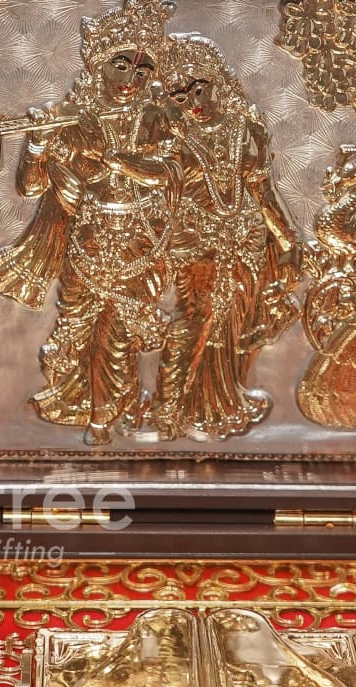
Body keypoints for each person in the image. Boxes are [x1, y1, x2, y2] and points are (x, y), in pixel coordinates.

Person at [0, 0, 181, 446]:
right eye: (121, 65)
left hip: (138, 245)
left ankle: (107, 418)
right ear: (98, 65)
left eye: (143, 70)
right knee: (81, 330)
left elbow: (171, 172)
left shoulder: (156, 119)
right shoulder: (72, 120)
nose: (132, 79)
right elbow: (31, 187)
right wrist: (38, 145)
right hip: (86, 246)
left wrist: (121, 162)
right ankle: (87, 406)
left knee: (117, 336)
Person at [151, 34, 302, 442]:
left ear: (216, 80)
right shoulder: (171, 137)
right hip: (195, 240)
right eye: (181, 97)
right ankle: (170, 406)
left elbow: (263, 190)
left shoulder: (246, 128)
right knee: (196, 318)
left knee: (237, 321)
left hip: (246, 241)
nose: (194, 102)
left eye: (199, 88)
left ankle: (221, 403)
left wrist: (287, 242)